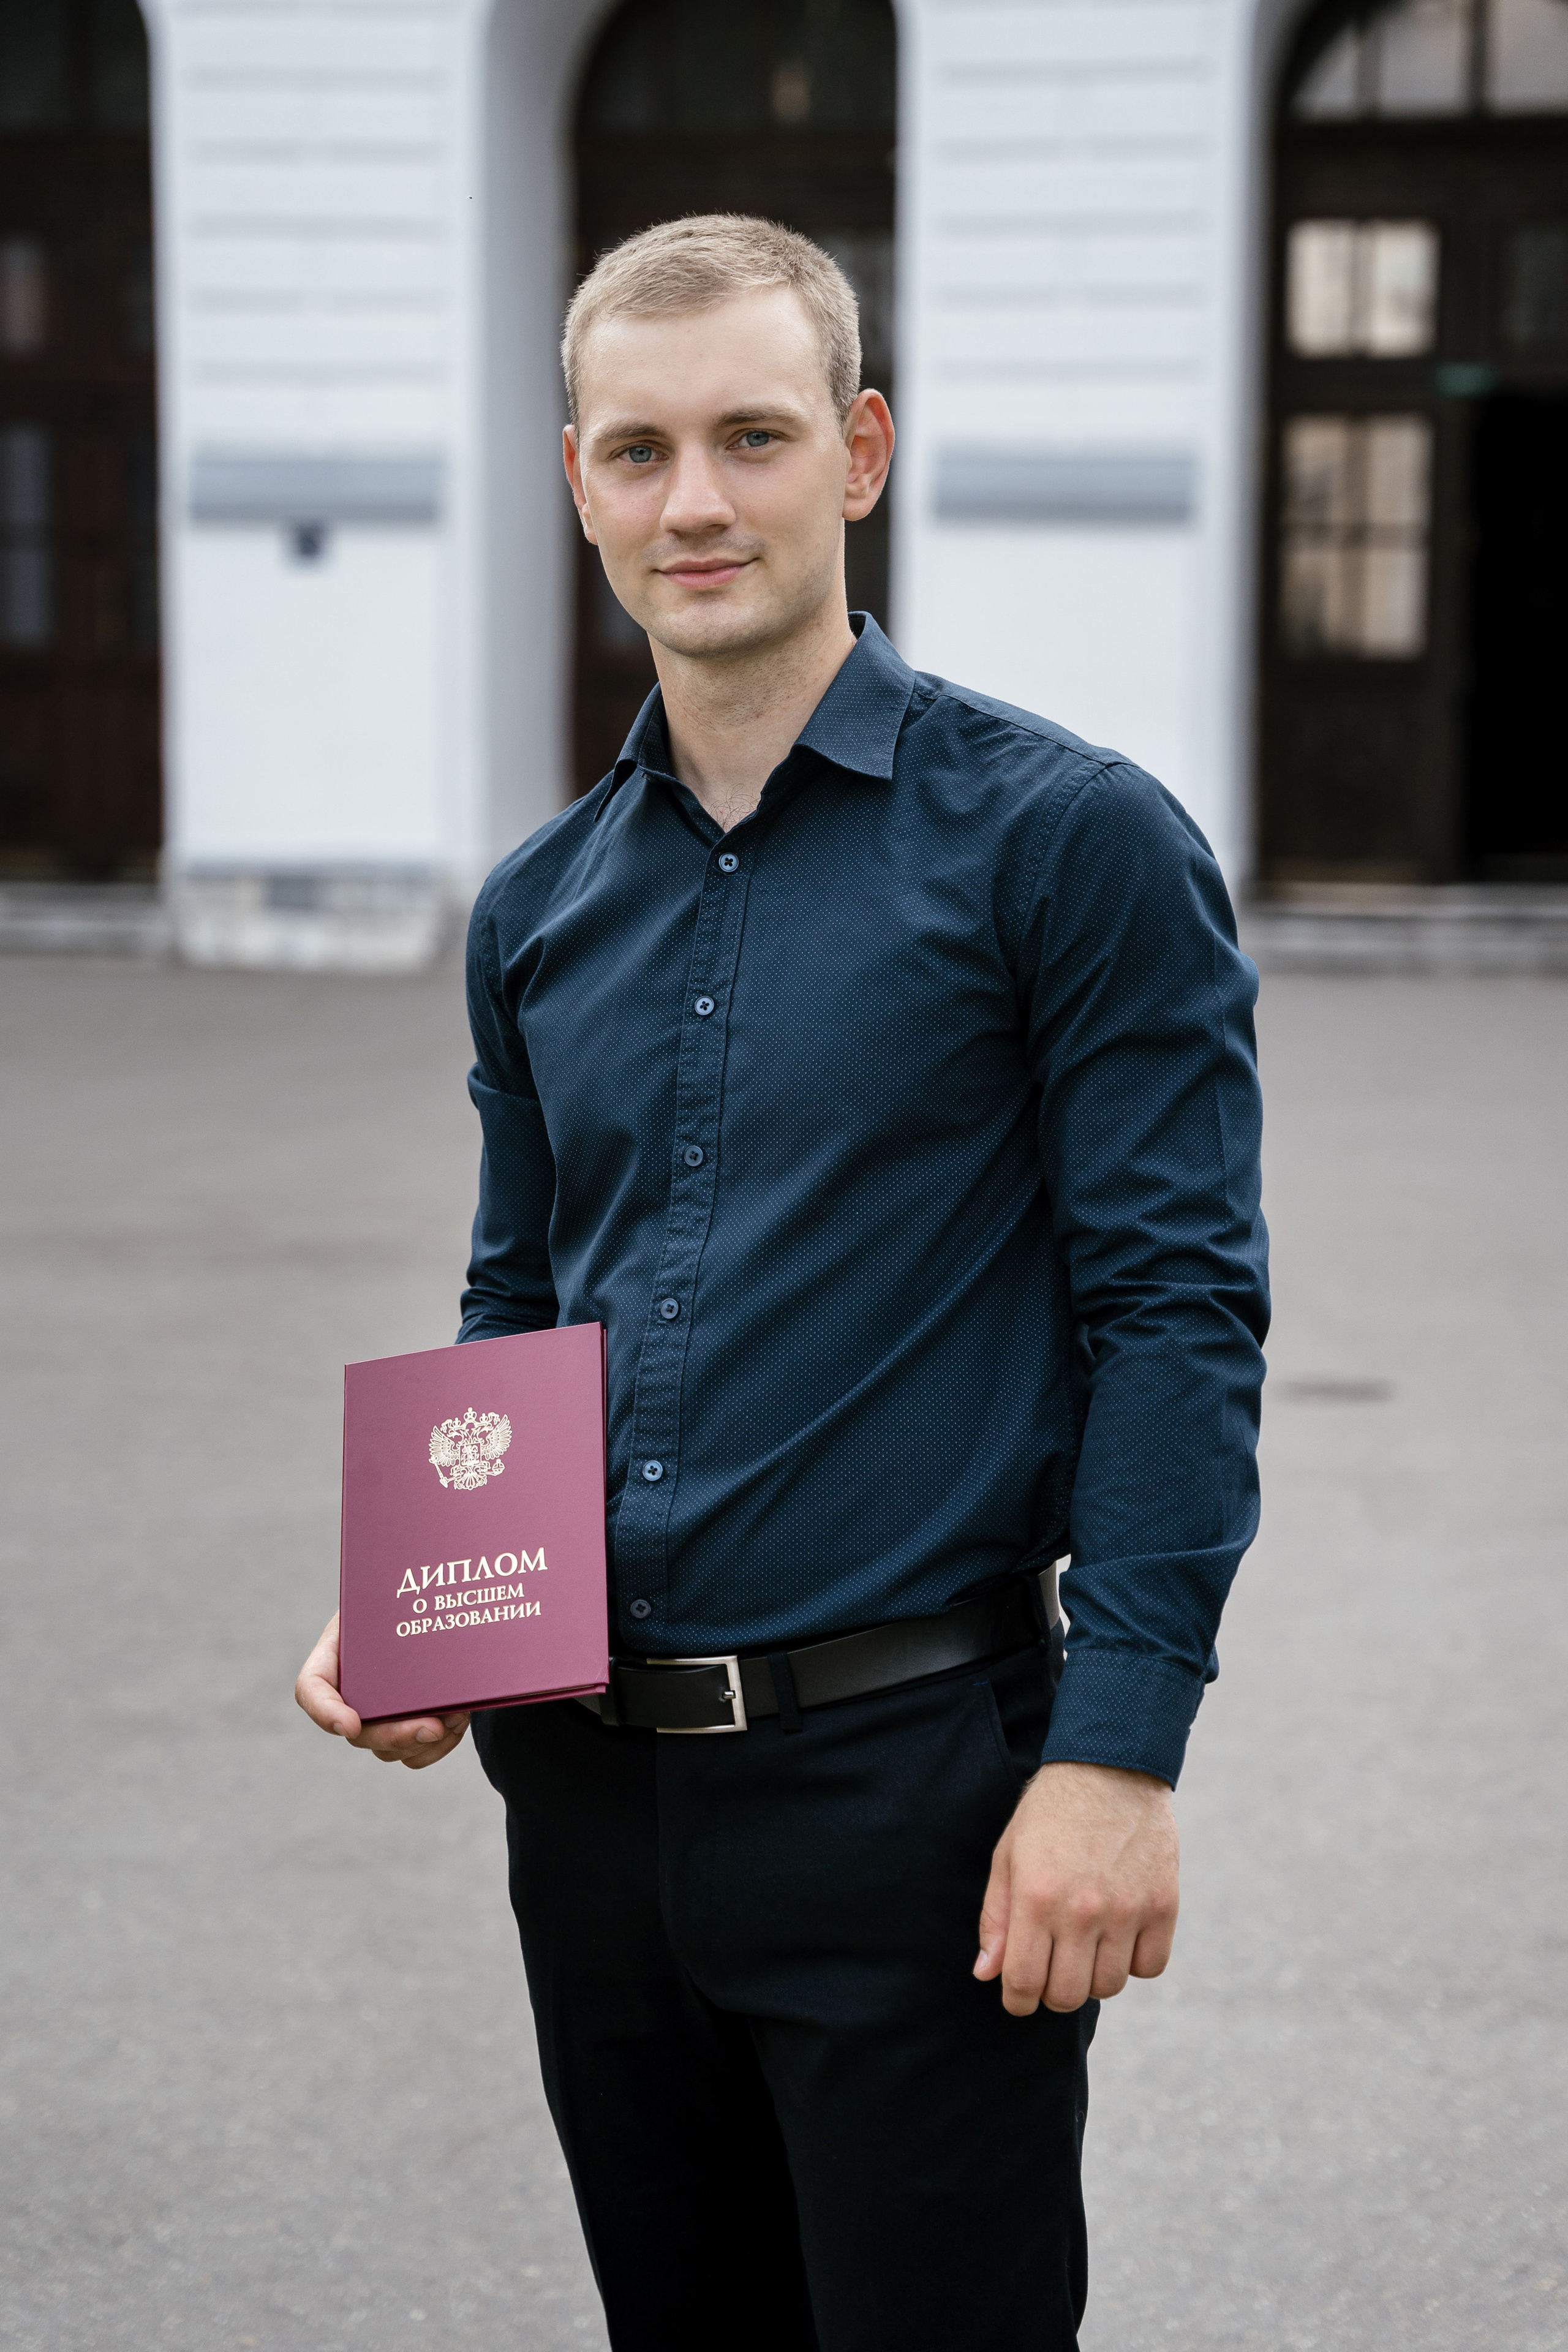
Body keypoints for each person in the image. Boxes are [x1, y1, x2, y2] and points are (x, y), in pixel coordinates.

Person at [296, 214, 1268, 2351]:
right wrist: (434, 1587)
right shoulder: (542, 901)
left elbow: (1178, 1315)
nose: (695, 502)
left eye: (750, 436)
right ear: (579, 483)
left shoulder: (1070, 843)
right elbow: (521, 1304)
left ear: (860, 453)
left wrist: (1118, 1756)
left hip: (912, 1787)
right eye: (639, 452)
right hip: (593, 1800)